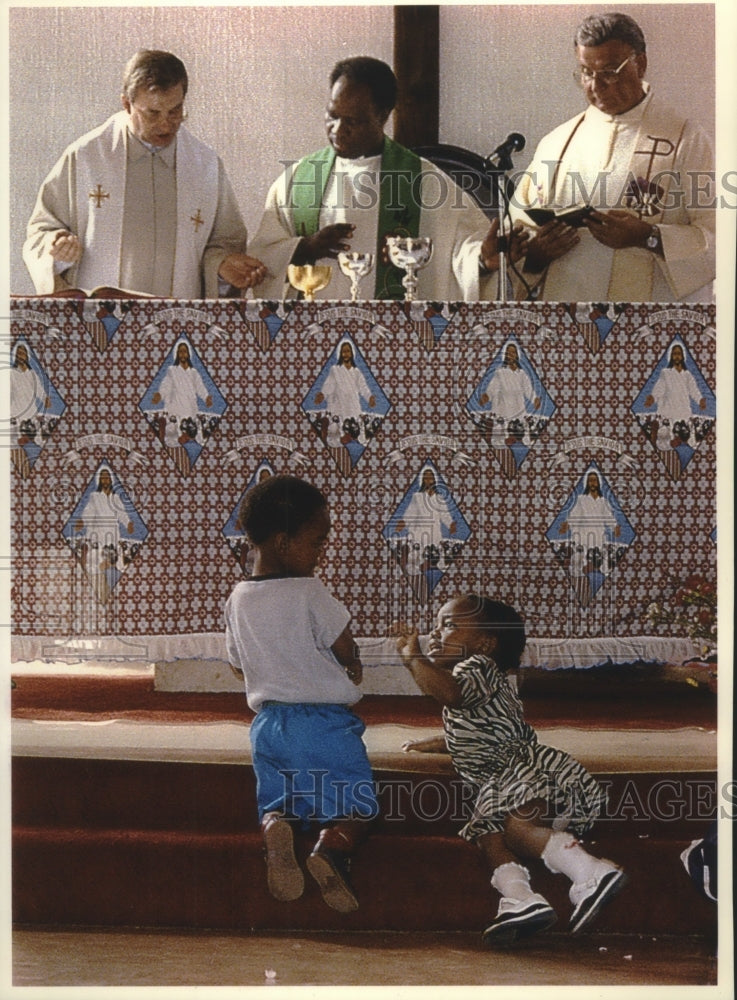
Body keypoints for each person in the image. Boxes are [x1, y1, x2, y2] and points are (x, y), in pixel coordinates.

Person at [393, 594, 626, 947]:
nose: (435, 633)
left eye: (450, 625)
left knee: (519, 830)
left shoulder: (477, 668)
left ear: (485, 644)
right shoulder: (489, 680)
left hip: (520, 772)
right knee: (489, 835)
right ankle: (520, 898)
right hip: (496, 781)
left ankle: (590, 871)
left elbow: (452, 696)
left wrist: (413, 658)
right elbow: (482, 728)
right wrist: (438, 742)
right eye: (437, 624)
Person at [249, 56, 526, 300]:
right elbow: (262, 255)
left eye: (353, 121)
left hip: (394, 344)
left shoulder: (425, 180)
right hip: (312, 340)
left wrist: (482, 260)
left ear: (382, 116)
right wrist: (305, 247)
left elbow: (462, 250)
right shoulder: (298, 180)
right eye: (332, 115)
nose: (338, 129)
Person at [224, 474, 378, 913]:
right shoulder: (309, 590)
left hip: (268, 726)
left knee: (282, 799)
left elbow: (237, 664)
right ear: (283, 542)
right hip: (324, 723)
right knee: (359, 805)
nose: (321, 552)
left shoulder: (237, 598)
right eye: (317, 541)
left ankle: (276, 826)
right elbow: (342, 641)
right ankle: (331, 849)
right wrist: (351, 662)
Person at [23, 49, 266, 297]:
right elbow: (41, 231)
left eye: (175, 111)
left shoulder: (205, 165)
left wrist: (222, 266)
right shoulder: (85, 158)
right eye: (153, 113)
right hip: (98, 323)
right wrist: (58, 249)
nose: (166, 124)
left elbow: (224, 243)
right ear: (127, 104)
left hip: (179, 325)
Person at [511, 12, 715, 302]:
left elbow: (719, 238)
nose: (595, 86)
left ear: (640, 64)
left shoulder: (686, 139)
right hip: (566, 322)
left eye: (609, 72)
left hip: (650, 326)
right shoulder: (557, 143)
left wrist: (649, 237)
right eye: (586, 72)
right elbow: (517, 231)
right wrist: (536, 253)